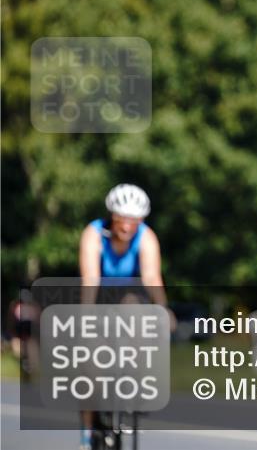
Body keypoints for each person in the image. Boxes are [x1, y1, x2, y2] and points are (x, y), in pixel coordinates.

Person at [78, 183, 169, 450]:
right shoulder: (93, 234)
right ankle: (87, 432)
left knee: (136, 310)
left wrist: (163, 308)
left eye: (134, 220)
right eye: (122, 218)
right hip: (98, 299)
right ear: (112, 216)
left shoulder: (147, 236)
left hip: (128, 299)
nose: (128, 226)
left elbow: (152, 277)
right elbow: (90, 280)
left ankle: (135, 380)